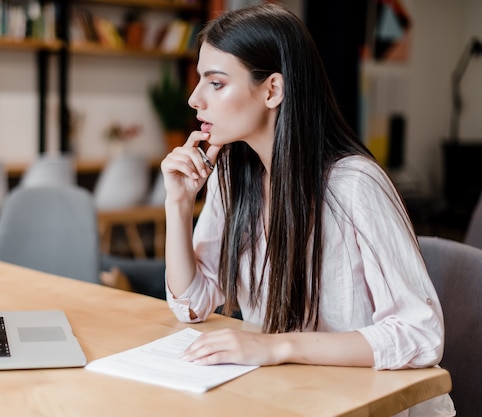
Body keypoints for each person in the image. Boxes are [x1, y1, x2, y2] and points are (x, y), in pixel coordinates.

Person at [160, 4, 454, 416]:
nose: (195, 99)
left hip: (369, 403)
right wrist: (178, 204)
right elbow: (191, 305)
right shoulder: (232, 173)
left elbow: (420, 334)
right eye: (199, 82)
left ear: (272, 90)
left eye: (216, 83)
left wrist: (276, 345)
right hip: (291, 394)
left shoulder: (354, 185)